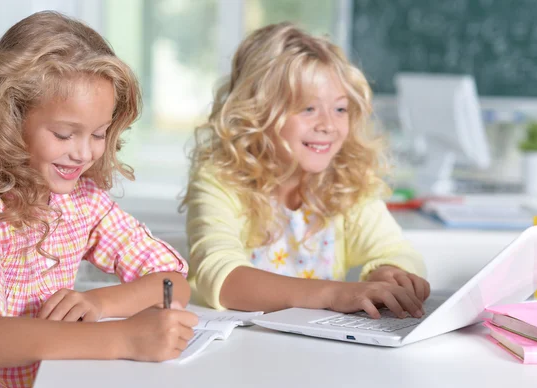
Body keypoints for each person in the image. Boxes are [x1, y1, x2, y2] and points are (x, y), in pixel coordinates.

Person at [0, 11, 197, 388]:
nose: (84, 153)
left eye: (99, 134)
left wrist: (97, 302)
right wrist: (124, 339)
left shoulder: (82, 202)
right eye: (65, 134)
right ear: (9, 117)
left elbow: (173, 282)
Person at [182, 22, 430, 318]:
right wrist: (335, 293)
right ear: (258, 113)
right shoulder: (219, 179)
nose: (327, 124)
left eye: (339, 109)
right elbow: (221, 278)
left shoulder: (346, 181)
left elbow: (398, 251)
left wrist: (391, 273)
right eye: (308, 109)